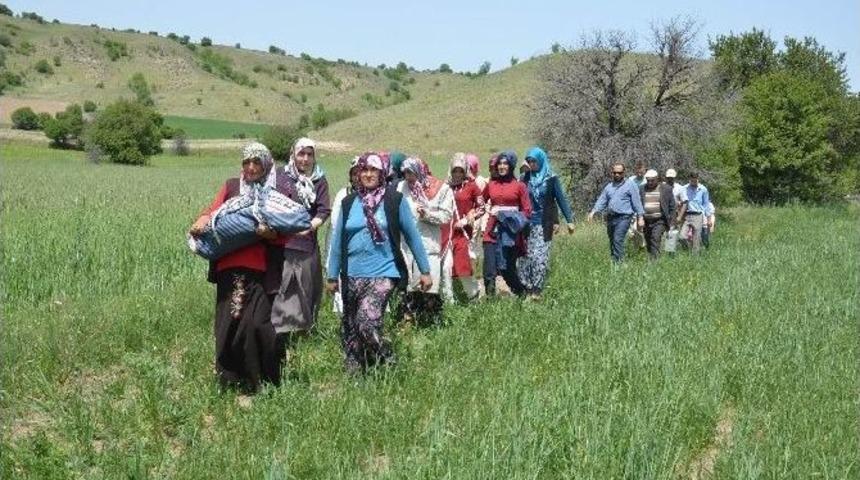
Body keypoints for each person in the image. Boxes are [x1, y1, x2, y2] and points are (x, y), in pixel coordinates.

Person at [189, 143, 283, 392]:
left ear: (266, 165)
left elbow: (285, 233)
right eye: (246, 162)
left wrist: (270, 234)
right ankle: (230, 379)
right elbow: (213, 211)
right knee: (228, 323)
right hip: (228, 266)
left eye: (256, 162)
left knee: (257, 324)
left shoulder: (273, 194)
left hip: (260, 269)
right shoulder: (231, 187)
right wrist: (202, 218)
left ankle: (262, 380)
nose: (251, 167)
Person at [326, 153, 432, 373]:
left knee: (366, 322)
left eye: (373, 170)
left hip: (383, 272)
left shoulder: (394, 200)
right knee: (352, 327)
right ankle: (356, 374)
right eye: (364, 170)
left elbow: (412, 235)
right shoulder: (348, 202)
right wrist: (331, 275)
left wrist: (425, 270)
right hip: (352, 274)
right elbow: (338, 240)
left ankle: (389, 360)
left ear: (382, 172)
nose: (368, 174)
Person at [269, 138, 331, 341]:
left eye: (309, 154)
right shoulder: (279, 176)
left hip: (305, 246)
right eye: (301, 154)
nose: (305, 159)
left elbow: (323, 210)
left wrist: (309, 227)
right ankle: (280, 337)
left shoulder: (319, 180)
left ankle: (303, 336)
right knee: (281, 290)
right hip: (279, 245)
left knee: (305, 291)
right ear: (292, 154)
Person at [397, 157, 454, 323]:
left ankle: (432, 324)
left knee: (430, 285)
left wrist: (428, 215)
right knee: (410, 287)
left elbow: (446, 215)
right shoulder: (401, 188)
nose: (408, 176)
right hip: (407, 245)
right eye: (406, 172)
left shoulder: (440, 189)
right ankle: (408, 322)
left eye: (411, 172)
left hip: (429, 244)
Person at [517, 147, 574, 300]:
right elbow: (515, 197)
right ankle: (526, 289)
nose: (531, 163)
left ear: (541, 160)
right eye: (529, 161)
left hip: (544, 224)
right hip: (526, 226)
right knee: (525, 257)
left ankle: (537, 290)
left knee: (539, 257)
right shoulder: (523, 178)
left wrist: (569, 220)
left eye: (534, 161)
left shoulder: (551, 178)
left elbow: (561, 199)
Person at [482, 151, 531, 297]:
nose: (502, 166)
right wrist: (475, 212)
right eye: (499, 164)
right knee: (489, 270)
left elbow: (527, 211)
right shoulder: (491, 185)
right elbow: (480, 202)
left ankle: (521, 294)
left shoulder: (519, 186)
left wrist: (506, 215)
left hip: (510, 234)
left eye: (505, 163)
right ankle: (490, 304)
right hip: (492, 231)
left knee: (507, 269)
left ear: (511, 166)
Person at [441, 153, 485, 301]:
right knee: (446, 267)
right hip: (446, 232)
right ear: (451, 171)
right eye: (455, 170)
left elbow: (481, 207)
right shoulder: (445, 187)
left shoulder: (471, 187)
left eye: (461, 170)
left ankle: (473, 295)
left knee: (463, 265)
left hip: (462, 233)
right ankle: (448, 300)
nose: (458, 174)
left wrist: (467, 220)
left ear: (466, 170)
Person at [587, 163, 645, 263]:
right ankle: (614, 262)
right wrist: (593, 211)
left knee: (618, 239)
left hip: (624, 217)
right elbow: (602, 200)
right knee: (612, 240)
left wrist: (640, 217)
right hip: (611, 218)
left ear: (624, 173)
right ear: (612, 173)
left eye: (619, 173)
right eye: (615, 173)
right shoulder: (609, 187)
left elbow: (637, 202)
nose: (617, 175)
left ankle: (620, 264)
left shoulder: (630, 185)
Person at [639, 169, 676, 259]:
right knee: (648, 240)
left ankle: (654, 262)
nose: (650, 182)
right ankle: (651, 257)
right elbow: (639, 204)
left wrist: (672, 222)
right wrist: (639, 218)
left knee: (655, 238)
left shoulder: (666, 189)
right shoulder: (642, 189)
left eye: (652, 180)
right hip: (646, 220)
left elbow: (672, 206)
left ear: (657, 179)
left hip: (660, 220)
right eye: (648, 180)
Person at [682, 172, 713, 255]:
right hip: (687, 215)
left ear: (698, 179)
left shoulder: (703, 189)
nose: (694, 183)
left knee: (696, 237)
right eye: (692, 181)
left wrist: (709, 219)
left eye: (695, 181)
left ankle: (695, 256)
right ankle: (687, 251)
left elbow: (706, 205)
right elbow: (681, 200)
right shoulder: (684, 188)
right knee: (682, 236)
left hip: (698, 215)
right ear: (689, 179)